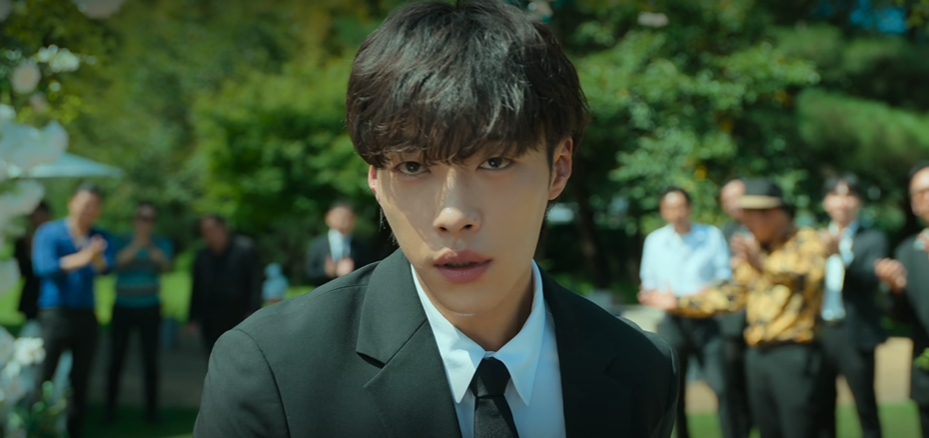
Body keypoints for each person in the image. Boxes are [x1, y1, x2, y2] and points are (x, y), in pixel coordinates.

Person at [193, 1, 679, 437]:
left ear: (559, 168)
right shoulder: (273, 369)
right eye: (412, 166)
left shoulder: (642, 367)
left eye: (494, 162)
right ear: (375, 177)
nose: (453, 216)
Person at [640, 178, 829, 438]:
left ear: (773, 213)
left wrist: (761, 264)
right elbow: (731, 296)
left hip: (794, 353)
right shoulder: (756, 250)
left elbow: (810, 277)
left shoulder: (805, 241)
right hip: (757, 355)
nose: (746, 224)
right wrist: (680, 303)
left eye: (750, 217)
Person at [639, 187, 736, 438]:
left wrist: (702, 293)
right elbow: (648, 281)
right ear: (663, 211)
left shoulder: (711, 235)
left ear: (690, 208)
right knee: (674, 391)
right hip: (672, 322)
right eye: (670, 208)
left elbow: (724, 275)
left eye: (681, 207)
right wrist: (653, 296)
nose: (677, 213)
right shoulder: (655, 241)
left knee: (722, 386)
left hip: (706, 320)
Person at [31, 183, 115, 438]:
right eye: (85, 203)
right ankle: (33, 425)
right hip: (55, 312)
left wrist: (94, 256)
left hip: (86, 313)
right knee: (44, 373)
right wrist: (85, 256)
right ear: (72, 203)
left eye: (94, 205)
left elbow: (105, 268)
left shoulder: (99, 236)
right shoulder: (50, 232)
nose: (89, 210)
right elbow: (45, 267)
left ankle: (73, 429)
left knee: (80, 378)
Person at [816, 174, 887, 438]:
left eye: (849, 195)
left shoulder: (873, 238)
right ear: (825, 201)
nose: (842, 202)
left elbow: (870, 280)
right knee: (822, 408)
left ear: (859, 201)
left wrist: (840, 255)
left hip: (855, 332)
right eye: (835, 195)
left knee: (865, 407)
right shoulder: (813, 238)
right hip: (820, 332)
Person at [105, 202, 173, 424]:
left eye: (150, 219)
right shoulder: (121, 240)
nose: (146, 223)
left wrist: (149, 245)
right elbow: (117, 263)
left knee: (150, 360)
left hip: (150, 308)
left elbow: (165, 266)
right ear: (135, 219)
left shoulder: (161, 242)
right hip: (123, 307)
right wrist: (137, 244)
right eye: (142, 218)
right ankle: (109, 410)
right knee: (116, 358)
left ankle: (151, 412)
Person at [875, 162, 929, 438]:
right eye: (918, 193)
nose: (925, 198)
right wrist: (895, 290)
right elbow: (902, 317)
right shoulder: (908, 251)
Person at [187, 215, 262, 356]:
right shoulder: (202, 256)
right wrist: (192, 317)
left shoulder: (245, 250)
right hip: (210, 318)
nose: (210, 234)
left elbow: (255, 284)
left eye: (213, 229)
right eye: (205, 231)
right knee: (213, 358)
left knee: (239, 357)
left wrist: (254, 312)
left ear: (223, 227)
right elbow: (197, 287)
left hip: (239, 315)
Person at [715, 178, 753, 438]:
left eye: (737, 196)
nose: (734, 204)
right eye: (727, 200)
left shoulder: (767, 227)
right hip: (731, 324)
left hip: (764, 323)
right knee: (732, 388)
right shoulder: (722, 233)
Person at [305, 202, 370, 286]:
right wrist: (325, 271)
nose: (342, 219)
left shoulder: (360, 246)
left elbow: (367, 273)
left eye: (346, 216)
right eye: (338, 215)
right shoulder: (317, 244)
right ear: (328, 217)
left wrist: (352, 272)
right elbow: (309, 273)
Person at [14, 201, 51, 324]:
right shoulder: (23, 241)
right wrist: (30, 252)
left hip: (54, 293)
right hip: (32, 294)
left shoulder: (57, 239)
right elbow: (21, 271)